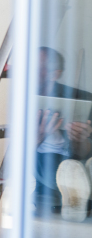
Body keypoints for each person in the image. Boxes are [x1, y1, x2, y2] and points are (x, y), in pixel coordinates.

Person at [34, 47, 92, 221]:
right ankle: (78, 195)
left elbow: (81, 153)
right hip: (44, 163)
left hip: (77, 159)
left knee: (81, 163)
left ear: (54, 74)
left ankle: (78, 196)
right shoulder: (20, 99)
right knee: (61, 166)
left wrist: (79, 139)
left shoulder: (82, 99)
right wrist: (38, 137)